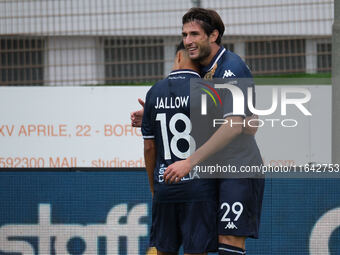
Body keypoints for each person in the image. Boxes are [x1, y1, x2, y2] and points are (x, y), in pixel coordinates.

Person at [163, 8, 264, 255]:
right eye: (185, 34)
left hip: (237, 167)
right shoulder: (197, 68)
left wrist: (189, 161)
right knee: (196, 241)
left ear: (213, 35)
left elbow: (234, 126)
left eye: (194, 34)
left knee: (228, 238)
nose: (187, 41)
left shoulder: (231, 67)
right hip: (209, 168)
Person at [142, 42, 218, 255]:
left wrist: (154, 187)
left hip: (165, 186)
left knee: (164, 250)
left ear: (178, 57)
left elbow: (149, 147)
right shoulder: (208, 91)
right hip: (199, 189)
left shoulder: (154, 91)